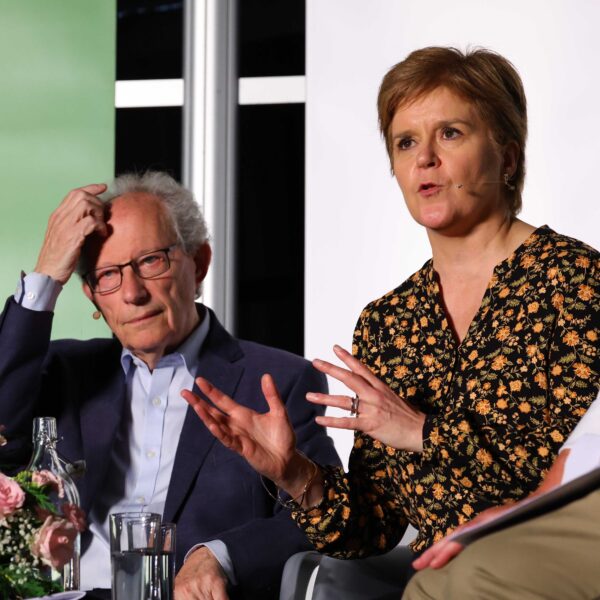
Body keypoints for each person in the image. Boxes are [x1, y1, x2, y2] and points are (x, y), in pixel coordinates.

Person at [182, 46, 600, 597]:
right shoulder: (388, 322)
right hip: (443, 574)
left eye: (449, 133)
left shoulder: (576, 282)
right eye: (405, 142)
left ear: (509, 156)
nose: (424, 158)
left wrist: (418, 430)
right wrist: (296, 475)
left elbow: (562, 482)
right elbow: (376, 525)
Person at [0, 171, 340, 599]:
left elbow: (325, 514)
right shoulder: (64, 373)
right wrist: (48, 274)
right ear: (91, 296)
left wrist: (219, 555)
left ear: (198, 264)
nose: (132, 293)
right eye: (108, 275)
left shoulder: (277, 381)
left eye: (150, 261)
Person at [403, 392, 600, 599]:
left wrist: (427, 433)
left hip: (577, 500)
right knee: (425, 588)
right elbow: (379, 528)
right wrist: (535, 501)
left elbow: (544, 456)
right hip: (439, 546)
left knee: (480, 574)